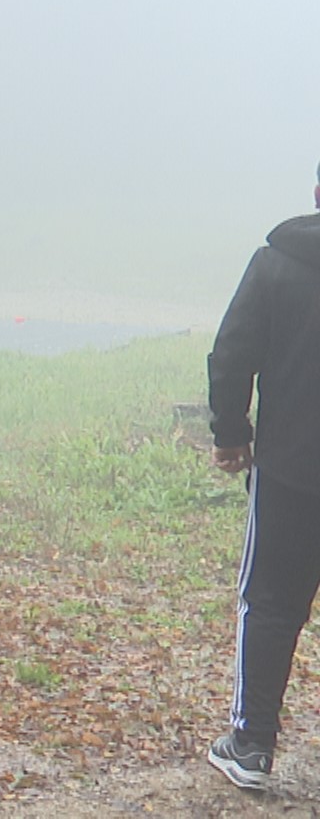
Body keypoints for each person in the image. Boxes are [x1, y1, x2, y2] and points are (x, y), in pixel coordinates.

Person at [205, 164, 320, 791]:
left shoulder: (275, 265)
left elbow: (232, 353)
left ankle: (250, 745)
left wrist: (230, 435)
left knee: (271, 604)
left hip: (290, 474)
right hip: (288, 470)